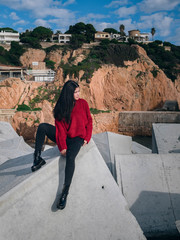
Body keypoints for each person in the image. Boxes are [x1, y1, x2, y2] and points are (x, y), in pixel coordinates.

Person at [31, 80, 93, 210]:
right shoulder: (60, 108)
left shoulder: (83, 104)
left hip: (78, 138)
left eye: (78, 91)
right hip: (66, 137)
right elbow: (60, 130)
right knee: (42, 127)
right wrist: (62, 146)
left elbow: (89, 121)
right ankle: (37, 158)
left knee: (70, 158)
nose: (78, 94)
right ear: (69, 93)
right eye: (75, 92)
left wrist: (87, 138)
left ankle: (65, 192)